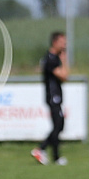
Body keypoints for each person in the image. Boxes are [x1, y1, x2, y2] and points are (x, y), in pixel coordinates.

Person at [31, 31, 69, 165]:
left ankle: (55, 156)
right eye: (62, 43)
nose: (65, 45)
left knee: (58, 126)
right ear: (55, 42)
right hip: (53, 96)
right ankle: (41, 149)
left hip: (54, 96)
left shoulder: (52, 58)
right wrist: (64, 61)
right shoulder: (51, 59)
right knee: (58, 125)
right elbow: (64, 76)